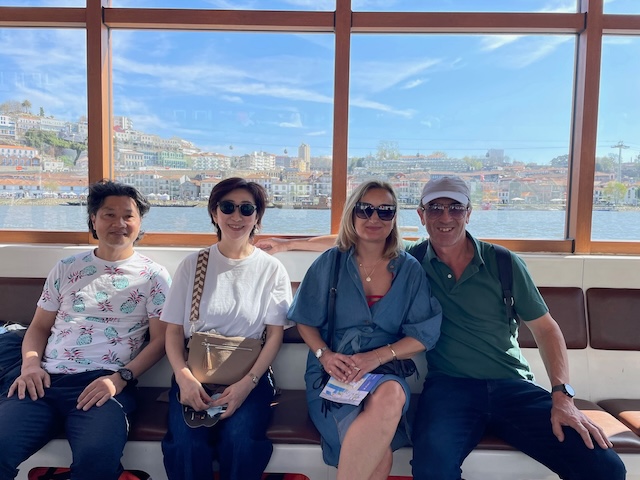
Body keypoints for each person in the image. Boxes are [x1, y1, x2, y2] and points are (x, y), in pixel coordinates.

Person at [256, 175, 627, 480]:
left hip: (512, 385)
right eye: (435, 208)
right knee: (432, 469)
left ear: (469, 213)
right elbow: (359, 241)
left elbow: (546, 330)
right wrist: (289, 245)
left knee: (605, 467)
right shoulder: (414, 259)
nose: (445, 217)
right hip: (450, 389)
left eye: (455, 208)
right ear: (421, 215)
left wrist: (563, 396)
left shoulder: (502, 263)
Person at [0, 180, 171, 480]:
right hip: (44, 381)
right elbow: (39, 327)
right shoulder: (67, 267)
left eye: (128, 216)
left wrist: (121, 379)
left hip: (104, 383)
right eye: (109, 214)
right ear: (93, 219)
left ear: (139, 222)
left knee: (96, 459)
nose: (119, 223)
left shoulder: (153, 276)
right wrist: (30, 366)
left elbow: (160, 341)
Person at [287, 180, 442, 480]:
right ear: (352, 213)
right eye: (365, 209)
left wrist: (377, 357)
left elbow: (424, 334)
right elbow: (304, 318)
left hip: (384, 373)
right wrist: (325, 355)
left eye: (385, 211)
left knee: (392, 394)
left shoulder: (409, 269)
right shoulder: (330, 263)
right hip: (333, 372)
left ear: (394, 218)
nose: (374, 218)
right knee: (379, 455)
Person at [160, 177, 293, 480]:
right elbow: (173, 332)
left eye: (247, 208)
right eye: (228, 207)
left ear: (257, 217)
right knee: (186, 445)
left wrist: (248, 384)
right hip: (195, 374)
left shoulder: (271, 269)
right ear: (214, 213)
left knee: (241, 440)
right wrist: (184, 378)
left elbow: (274, 335)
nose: (237, 216)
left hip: (250, 375)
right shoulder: (193, 265)